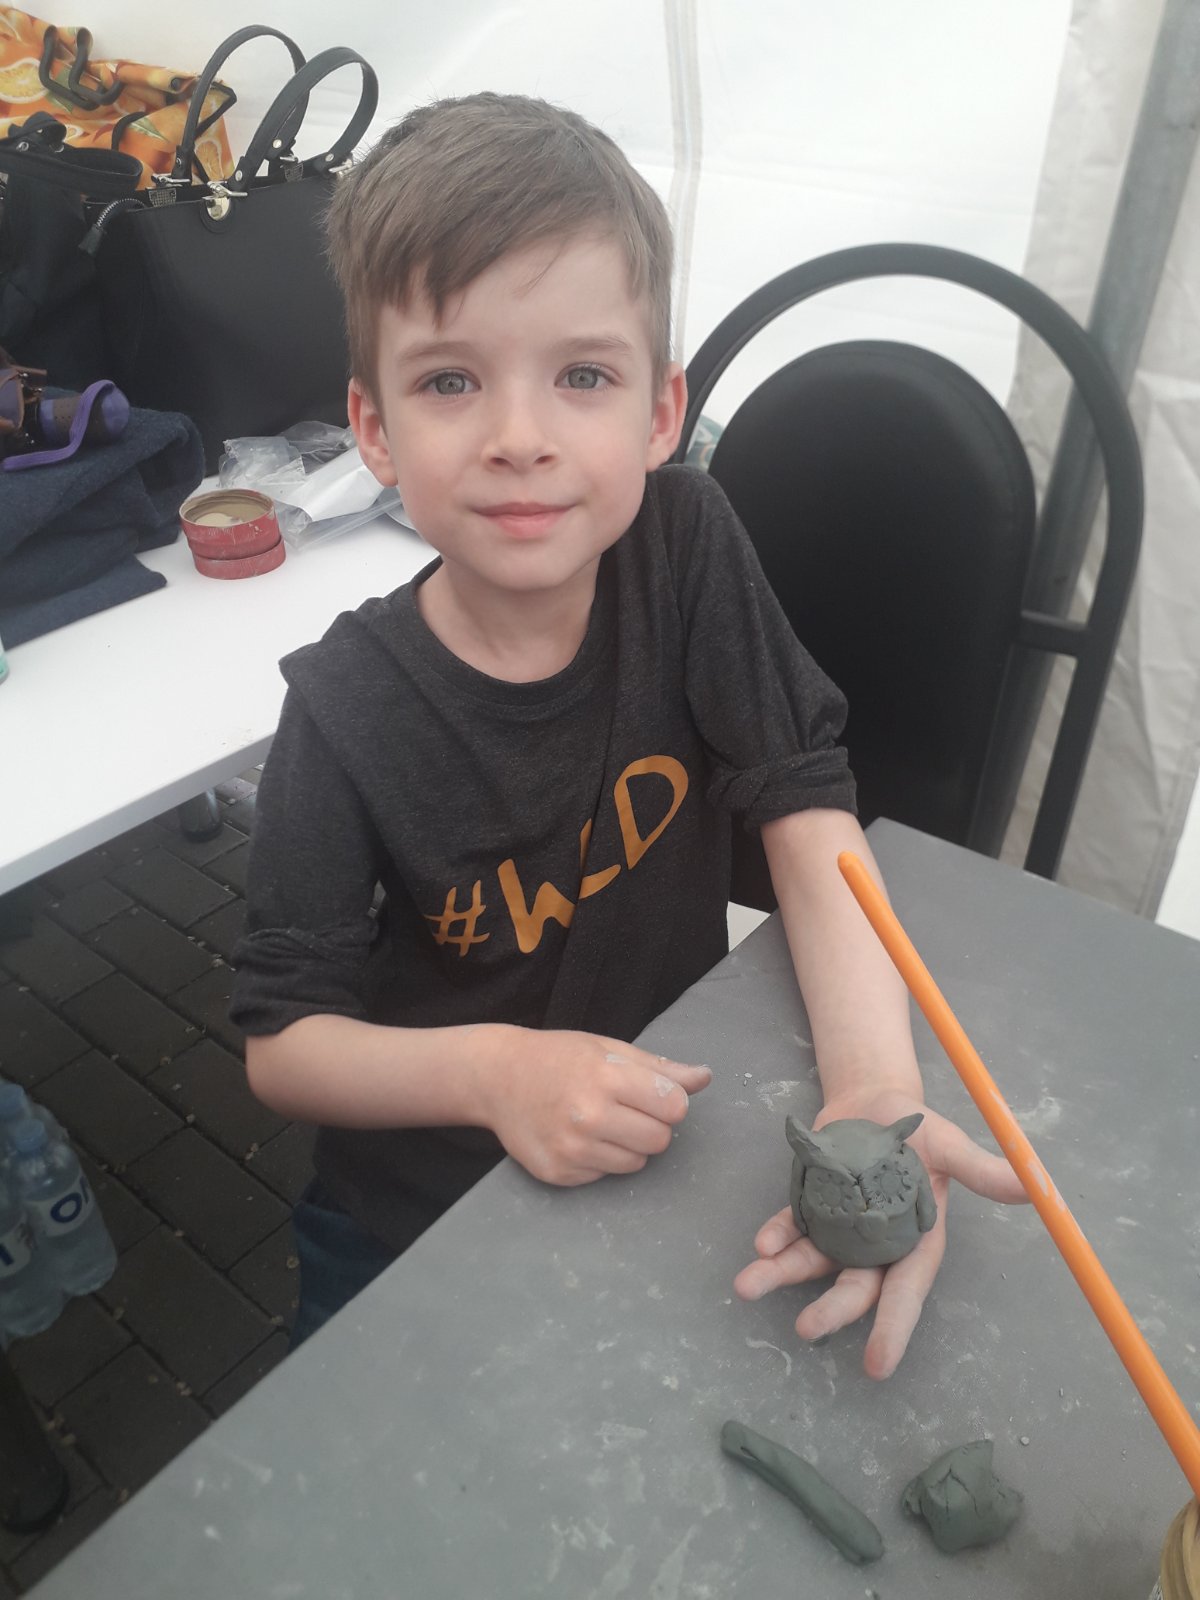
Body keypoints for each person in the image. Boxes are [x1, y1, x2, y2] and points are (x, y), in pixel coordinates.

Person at [230, 91, 1025, 1365]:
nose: (520, 439)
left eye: (583, 376)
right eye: (450, 380)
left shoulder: (685, 546)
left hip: (656, 1149)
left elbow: (805, 808)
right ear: (373, 428)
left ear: (660, 412)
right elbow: (285, 1044)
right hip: (409, 1222)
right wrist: (496, 1072)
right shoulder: (345, 704)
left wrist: (877, 1087)